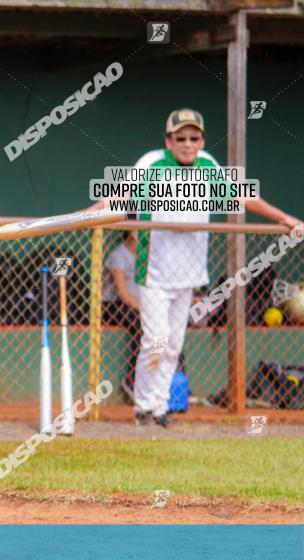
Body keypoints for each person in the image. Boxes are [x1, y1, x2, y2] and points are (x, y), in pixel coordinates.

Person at [89, 108, 301, 427]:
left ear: (201, 140)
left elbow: (243, 196)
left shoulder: (207, 167)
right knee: (156, 339)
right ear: (168, 141)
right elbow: (118, 195)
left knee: (174, 343)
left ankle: (158, 408)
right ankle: (143, 407)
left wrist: (282, 218)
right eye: (180, 138)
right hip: (154, 274)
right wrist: (89, 212)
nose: (188, 144)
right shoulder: (152, 163)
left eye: (194, 138)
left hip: (188, 275)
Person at [102, 230, 141, 402]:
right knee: (143, 325)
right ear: (133, 233)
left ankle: (171, 378)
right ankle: (131, 379)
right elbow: (122, 293)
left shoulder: (145, 256)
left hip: (138, 307)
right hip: (113, 306)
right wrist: (145, 309)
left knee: (163, 331)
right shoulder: (119, 255)